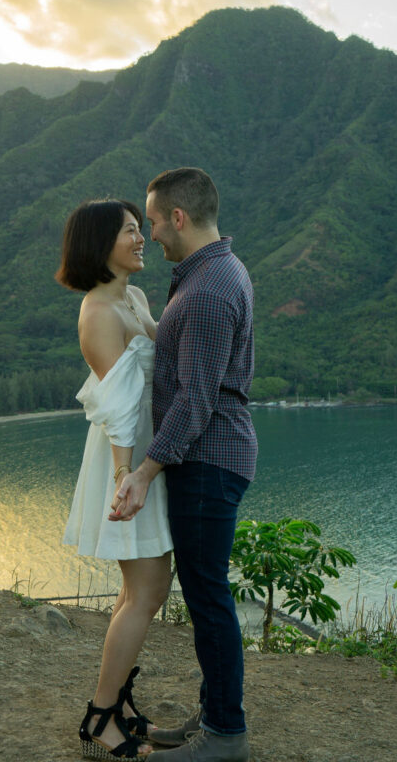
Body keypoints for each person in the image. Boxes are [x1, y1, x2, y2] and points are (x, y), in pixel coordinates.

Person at [112, 168, 258, 762]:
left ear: (177, 216)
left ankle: (226, 736)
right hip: (212, 456)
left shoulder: (206, 289)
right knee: (206, 594)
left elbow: (196, 400)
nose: (150, 232)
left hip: (208, 460)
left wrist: (143, 472)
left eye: (151, 220)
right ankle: (214, 718)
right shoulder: (209, 273)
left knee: (207, 597)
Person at [57, 199, 173, 760]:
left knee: (139, 591)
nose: (140, 238)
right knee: (147, 593)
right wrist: (129, 477)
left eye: (138, 229)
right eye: (130, 231)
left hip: (145, 456)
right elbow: (120, 408)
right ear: (99, 243)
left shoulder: (134, 296)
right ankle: (100, 718)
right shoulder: (99, 311)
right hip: (126, 457)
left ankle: (120, 706)